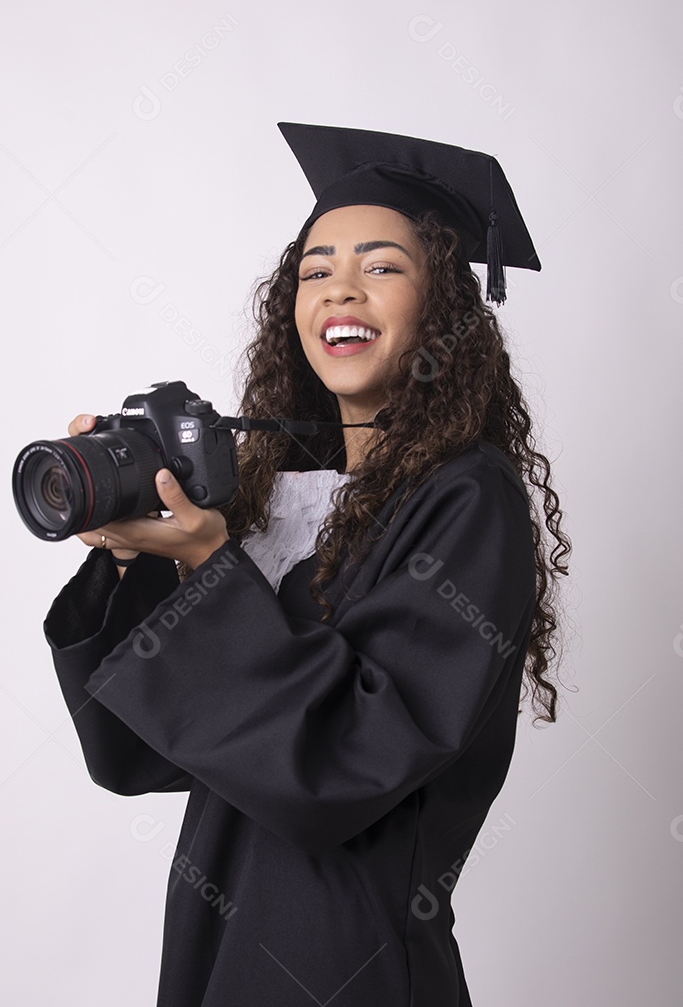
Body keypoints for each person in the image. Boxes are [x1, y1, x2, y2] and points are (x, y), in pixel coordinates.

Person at [43, 123, 571, 1006]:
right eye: (315, 271)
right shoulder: (280, 498)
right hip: (217, 945)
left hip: (347, 959)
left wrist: (211, 568)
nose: (341, 291)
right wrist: (137, 559)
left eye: (383, 266)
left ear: (442, 305)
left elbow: (350, 763)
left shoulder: (470, 500)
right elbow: (140, 753)